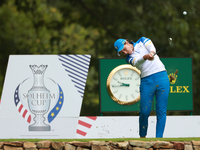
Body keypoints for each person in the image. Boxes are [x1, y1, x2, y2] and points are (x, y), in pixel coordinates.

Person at [114, 37, 170, 138]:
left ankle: (159, 139)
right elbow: (137, 62)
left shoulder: (142, 40)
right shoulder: (129, 58)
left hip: (162, 77)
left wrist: (152, 52)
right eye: (122, 52)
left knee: (161, 110)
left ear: (126, 42)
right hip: (147, 81)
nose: (124, 52)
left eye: (124, 49)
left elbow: (151, 46)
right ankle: (142, 137)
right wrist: (145, 57)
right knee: (145, 112)